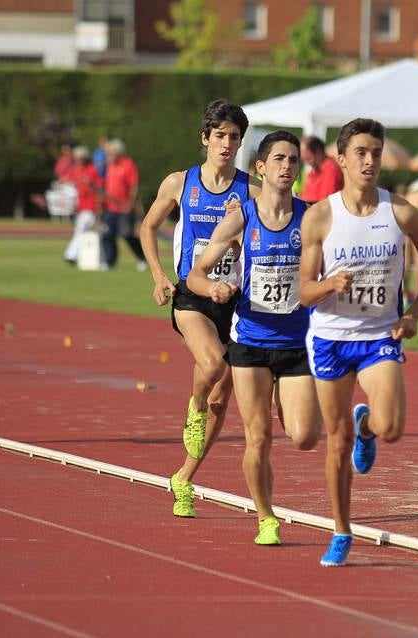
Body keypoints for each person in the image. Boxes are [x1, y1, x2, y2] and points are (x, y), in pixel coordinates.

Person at [299, 118, 418, 566]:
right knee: (336, 441)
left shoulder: (399, 212)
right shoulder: (320, 216)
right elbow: (304, 291)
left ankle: (368, 426)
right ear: (341, 159)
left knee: (392, 428)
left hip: (380, 334)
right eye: (361, 153)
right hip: (330, 338)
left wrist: (414, 313)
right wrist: (329, 285)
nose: (369, 161)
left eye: (376, 153)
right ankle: (341, 531)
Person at [187, 130, 333, 546]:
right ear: (261, 168)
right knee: (258, 437)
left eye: (294, 160)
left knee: (303, 436)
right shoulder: (241, 218)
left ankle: (292, 406)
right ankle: (266, 517)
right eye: (280, 159)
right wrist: (213, 288)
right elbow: (196, 274)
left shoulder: (312, 217)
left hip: (296, 343)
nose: (288, 166)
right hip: (250, 343)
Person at [139, 99, 261, 518]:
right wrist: (159, 276)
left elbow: (265, 243)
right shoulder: (180, 183)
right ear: (205, 138)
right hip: (191, 294)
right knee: (212, 365)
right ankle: (194, 408)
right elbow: (148, 227)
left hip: (235, 299)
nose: (227, 144)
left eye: (234, 138)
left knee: (222, 400)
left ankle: (184, 479)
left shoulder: (251, 191)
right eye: (220, 136)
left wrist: (240, 229)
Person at [102, 139, 146, 270]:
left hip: (125, 208)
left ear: (119, 152)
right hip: (110, 208)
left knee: (127, 234)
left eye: (112, 152)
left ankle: (142, 258)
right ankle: (109, 262)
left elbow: (133, 185)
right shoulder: (109, 165)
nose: (109, 155)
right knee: (107, 235)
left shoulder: (128, 165)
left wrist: (130, 203)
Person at [63, 145, 104, 264]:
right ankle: (96, 258)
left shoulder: (92, 170)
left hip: (90, 206)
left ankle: (71, 255)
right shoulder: (75, 169)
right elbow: (69, 180)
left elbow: (100, 188)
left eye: (81, 158)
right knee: (86, 231)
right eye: (77, 158)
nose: (79, 160)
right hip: (79, 206)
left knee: (81, 229)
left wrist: (90, 184)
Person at [300, 135, 343, 204]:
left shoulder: (331, 170)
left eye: (308, 158)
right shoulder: (313, 172)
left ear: (318, 151)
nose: (307, 163)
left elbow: (325, 202)